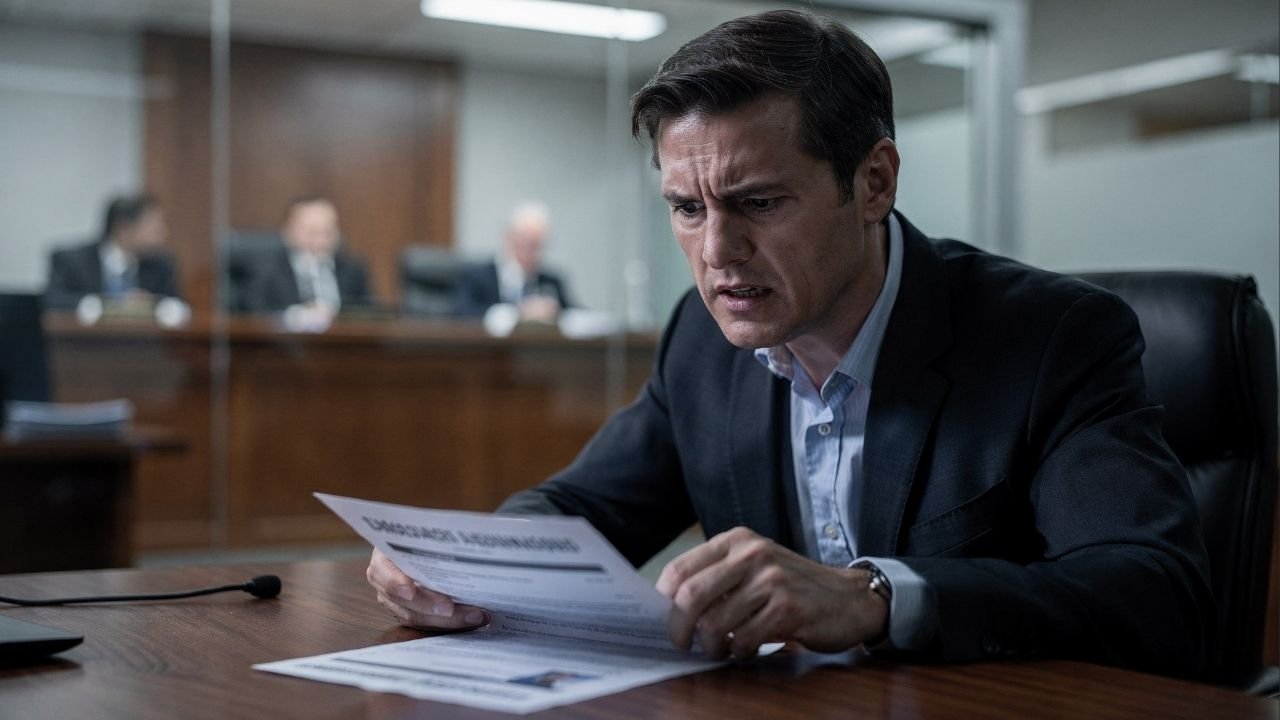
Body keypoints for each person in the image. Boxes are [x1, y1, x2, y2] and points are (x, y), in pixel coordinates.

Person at [368, 10, 1211, 678]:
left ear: (874, 182)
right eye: (687, 209)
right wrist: (461, 566)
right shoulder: (702, 339)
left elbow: (1156, 592)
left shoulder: (1055, 337)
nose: (717, 252)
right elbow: (584, 509)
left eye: (760, 204)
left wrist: (874, 597)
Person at [238, 196, 374, 321]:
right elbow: (253, 314)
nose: (320, 240)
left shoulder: (352, 269)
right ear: (288, 232)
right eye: (312, 232)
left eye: (327, 232)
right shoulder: (266, 269)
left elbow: (371, 314)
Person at [45, 194, 181, 311]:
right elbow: (53, 301)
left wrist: (152, 304)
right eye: (154, 227)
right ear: (124, 228)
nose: (163, 234)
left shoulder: (161, 265)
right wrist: (110, 304)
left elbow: (178, 306)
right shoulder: (72, 261)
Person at [454, 201, 573, 322]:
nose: (536, 254)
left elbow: (575, 315)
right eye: (529, 244)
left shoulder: (551, 282)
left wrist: (556, 313)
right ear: (509, 239)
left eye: (540, 246)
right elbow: (461, 314)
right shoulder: (476, 278)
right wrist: (518, 312)